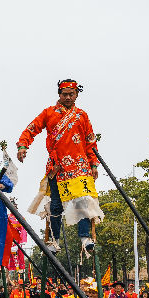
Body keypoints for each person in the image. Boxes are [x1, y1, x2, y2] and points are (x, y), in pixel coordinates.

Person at [17, 79, 103, 254]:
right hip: (58, 167)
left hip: (80, 165)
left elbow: (90, 141)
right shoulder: (49, 113)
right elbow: (32, 128)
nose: (68, 97)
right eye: (65, 94)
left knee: (84, 200)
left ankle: (85, 238)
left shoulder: (82, 115)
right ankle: (54, 240)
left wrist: (94, 163)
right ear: (59, 94)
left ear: (77, 95)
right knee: (56, 205)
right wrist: (23, 145)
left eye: (72, 94)